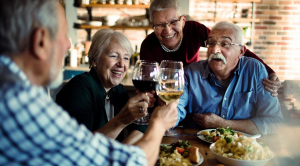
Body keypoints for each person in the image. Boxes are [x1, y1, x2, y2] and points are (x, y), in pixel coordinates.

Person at [0, 0, 178, 165]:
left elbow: (134, 127)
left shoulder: (117, 91)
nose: (69, 45)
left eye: (125, 58)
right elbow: (128, 161)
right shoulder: (18, 101)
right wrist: (159, 123)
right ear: (40, 41)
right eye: (63, 34)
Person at [140, 0, 281, 96]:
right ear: (152, 25)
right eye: (160, 25)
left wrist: (270, 72)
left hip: (195, 90)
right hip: (169, 95)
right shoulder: (148, 45)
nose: (167, 30)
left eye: (173, 22)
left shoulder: (194, 29)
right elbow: (149, 85)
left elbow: (234, 48)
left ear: (183, 21)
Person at [177, 21, 283, 135]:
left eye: (225, 44)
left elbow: (274, 123)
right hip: (197, 148)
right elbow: (175, 111)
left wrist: (222, 124)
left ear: (241, 52)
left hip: (243, 149)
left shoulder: (255, 71)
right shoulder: (190, 73)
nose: (214, 50)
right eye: (211, 43)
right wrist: (165, 108)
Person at [56, 29, 155, 144]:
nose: (121, 64)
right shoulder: (79, 89)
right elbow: (80, 145)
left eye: (126, 58)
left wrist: (121, 150)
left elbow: (141, 126)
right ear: (94, 59)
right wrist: (121, 121)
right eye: (113, 56)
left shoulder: (118, 90)